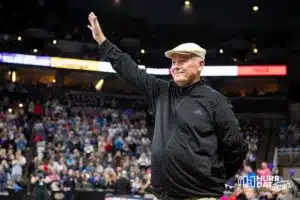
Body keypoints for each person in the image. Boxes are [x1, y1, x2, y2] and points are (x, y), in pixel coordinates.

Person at [87, 12, 246, 200]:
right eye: (173, 62)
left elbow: (236, 148)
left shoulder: (215, 101)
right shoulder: (161, 91)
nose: (176, 66)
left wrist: (213, 177)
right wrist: (102, 41)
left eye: (183, 60)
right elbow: (128, 69)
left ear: (200, 65)